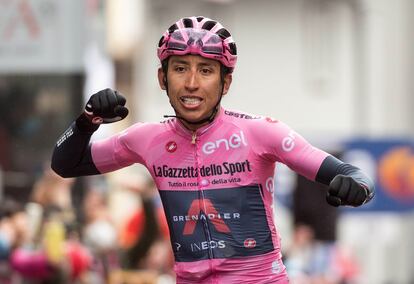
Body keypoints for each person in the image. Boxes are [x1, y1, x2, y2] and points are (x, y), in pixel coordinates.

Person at [51, 16, 374, 284]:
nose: (191, 83)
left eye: (205, 71)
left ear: (225, 83)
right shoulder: (145, 138)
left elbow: (351, 173)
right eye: (180, 69)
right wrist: (87, 120)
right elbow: (66, 164)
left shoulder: (260, 132)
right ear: (162, 78)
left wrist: (358, 186)